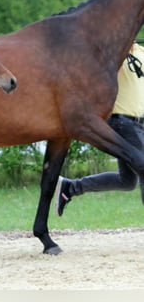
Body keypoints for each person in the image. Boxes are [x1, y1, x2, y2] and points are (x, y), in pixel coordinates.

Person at [54, 41, 144, 216]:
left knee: (127, 181)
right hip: (122, 122)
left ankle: (71, 187)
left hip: (139, 124)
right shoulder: (114, 52)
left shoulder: (140, 51)